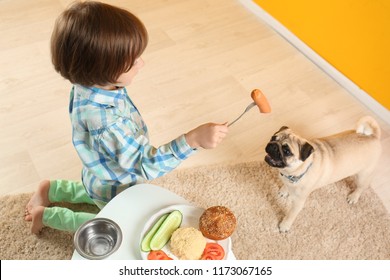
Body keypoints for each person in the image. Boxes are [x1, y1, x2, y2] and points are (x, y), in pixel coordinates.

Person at [24, 1, 228, 234]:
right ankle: (49, 216)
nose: (142, 63)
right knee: (114, 225)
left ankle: (52, 190)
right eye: (132, 62)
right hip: (115, 186)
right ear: (102, 70)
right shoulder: (108, 124)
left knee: (93, 191)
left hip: (99, 173)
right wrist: (192, 140)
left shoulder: (87, 84)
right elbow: (145, 164)